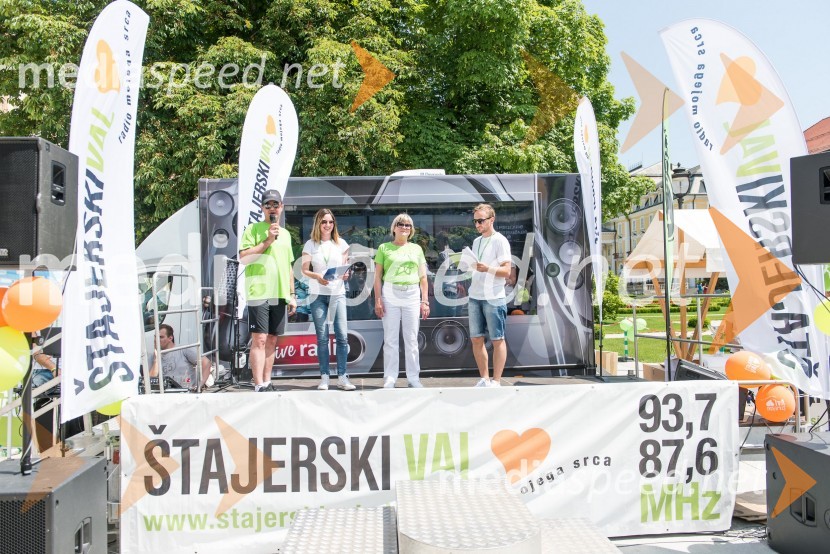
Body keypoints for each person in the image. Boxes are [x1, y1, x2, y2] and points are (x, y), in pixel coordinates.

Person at [239, 189, 297, 392]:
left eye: (275, 204)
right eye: (268, 205)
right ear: (262, 208)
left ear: (281, 207)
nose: (272, 208)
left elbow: (289, 266)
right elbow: (244, 258)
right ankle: (258, 384)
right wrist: (267, 241)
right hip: (259, 291)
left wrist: (292, 294)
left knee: (272, 338)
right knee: (260, 339)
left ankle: (267, 381)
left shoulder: (286, 234)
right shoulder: (253, 229)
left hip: (279, 293)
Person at [302, 209, 356, 391]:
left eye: (330, 222)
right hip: (317, 294)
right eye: (324, 222)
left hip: (337, 292)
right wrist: (317, 276)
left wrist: (347, 274)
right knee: (322, 338)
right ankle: (324, 377)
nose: (327, 225)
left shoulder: (341, 244)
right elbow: (304, 270)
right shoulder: (310, 244)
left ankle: (342, 377)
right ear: (318, 223)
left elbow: (345, 268)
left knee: (342, 336)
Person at [374, 213, 429, 388]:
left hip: (412, 294)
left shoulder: (417, 249)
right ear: (394, 228)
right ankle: (390, 377)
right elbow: (377, 277)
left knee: (412, 339)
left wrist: (425, 301)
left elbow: (423, 277)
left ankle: (413, 378)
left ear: (411, 229)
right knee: (390, 339)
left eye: (408, 225)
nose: (404, 227)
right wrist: (378, 300)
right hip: (390, 293)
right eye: (401, 224)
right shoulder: (384, 248)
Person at [469, 204, 512, 387]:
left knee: (497, 339)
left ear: (491, 219)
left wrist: (487, 268)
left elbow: (507, 271)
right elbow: (476, 266)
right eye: (475, 221)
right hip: (475, 296)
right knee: (476, 339)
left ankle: (496, 380)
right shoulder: (476, 241)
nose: (477, 224)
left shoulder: (500, 241)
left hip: (494, 296)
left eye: (481, 221)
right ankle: (484, 379)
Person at [149, 324, 212, 390]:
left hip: (187, 392)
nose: (156, 340)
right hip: (165, 394)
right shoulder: (153, 357)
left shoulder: (184, 349)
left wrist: (199, 386)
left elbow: (206, 363)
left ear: (170, 338)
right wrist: (156, 361)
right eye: (155, 337)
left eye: (161, 337)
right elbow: (149, 382)